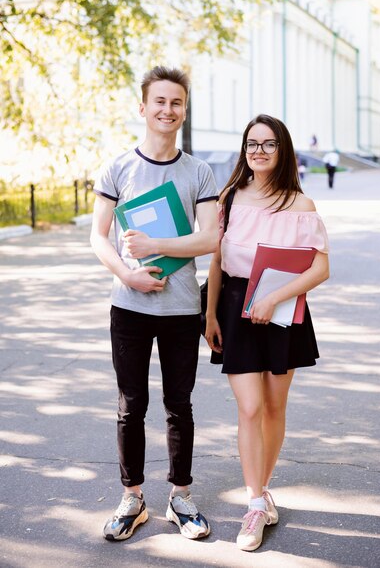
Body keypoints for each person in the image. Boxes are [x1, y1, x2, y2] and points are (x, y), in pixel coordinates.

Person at [90, 66, 219, 542]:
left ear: (184, 110)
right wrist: (128, 274)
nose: (168, 110)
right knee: (131, 405)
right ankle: (132, 498)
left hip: (182, 308)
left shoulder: (199, 172)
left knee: (178, 405)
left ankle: (181, 496)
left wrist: (154, 244)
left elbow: (209, 238)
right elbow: (97, 236)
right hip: (128, 307)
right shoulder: (118, 167)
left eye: (177, 103)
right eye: (159, 102)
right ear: (142, 107)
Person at [205, 114, 329, 552]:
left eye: (268, 144)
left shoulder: (301, 205)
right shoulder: (229, 199)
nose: (258, 151)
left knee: (275, 406)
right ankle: (254, 502)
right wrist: (209, 315)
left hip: (283, 308)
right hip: (235, 308)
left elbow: (320, 267)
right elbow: (217, 261)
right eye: (251, 143)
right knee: (251, 407)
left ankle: (264, 489)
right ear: (244, 150)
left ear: (283, 150)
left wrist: (276, 298)